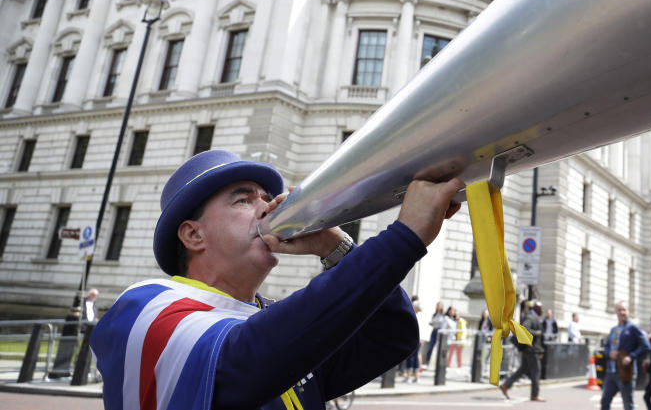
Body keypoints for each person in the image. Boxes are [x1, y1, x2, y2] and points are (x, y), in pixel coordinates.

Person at [90, 149, 463, 410]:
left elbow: (391, 336)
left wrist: (335, 247)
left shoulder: (264, 318)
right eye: (243, 200)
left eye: (267, 197)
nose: (269, 207)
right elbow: (247, 363)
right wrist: (404, 235)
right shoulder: (147, 307)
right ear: (193, 235)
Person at [601, 301, 651, 410]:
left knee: (628, 405)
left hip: (626, 372)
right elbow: (606, 347)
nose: (622, 312)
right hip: (611, 372)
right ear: (616, 312)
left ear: (628, 311)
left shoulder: (633, 328)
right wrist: (609, 353)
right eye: (619, 310)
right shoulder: (613, 330)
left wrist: (631, 356)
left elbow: (646, 346)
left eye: (624, 309)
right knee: (604, 402)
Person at [499, 300, 546, 402]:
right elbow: (524, 328)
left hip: (529, 348)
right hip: (530, 349)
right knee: (536, 371)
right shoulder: (530, 317)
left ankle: (505, 385)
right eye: (541, 308)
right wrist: (536, 333)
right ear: (536, 308)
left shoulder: (534, 316)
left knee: (522, 369)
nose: (542, 310)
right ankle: (535, 395)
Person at [402, 295, 422, 382]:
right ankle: (416, 377)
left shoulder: (415, 316)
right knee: (415, 358)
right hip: (419, 339)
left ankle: (409, 377)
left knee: (411, 357)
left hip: (415, 339)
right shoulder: (421, 316)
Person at [425, 301, 446, 365]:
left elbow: (444, 324)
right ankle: (427, 362)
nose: (438, 307)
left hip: (440, 332)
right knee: (430, 347)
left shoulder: (444, 315)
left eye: (439, 305)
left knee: (439, 348)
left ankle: (438, 363)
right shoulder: (434, 314)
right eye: (437, 305)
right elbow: (432, 322)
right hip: (434, 331)